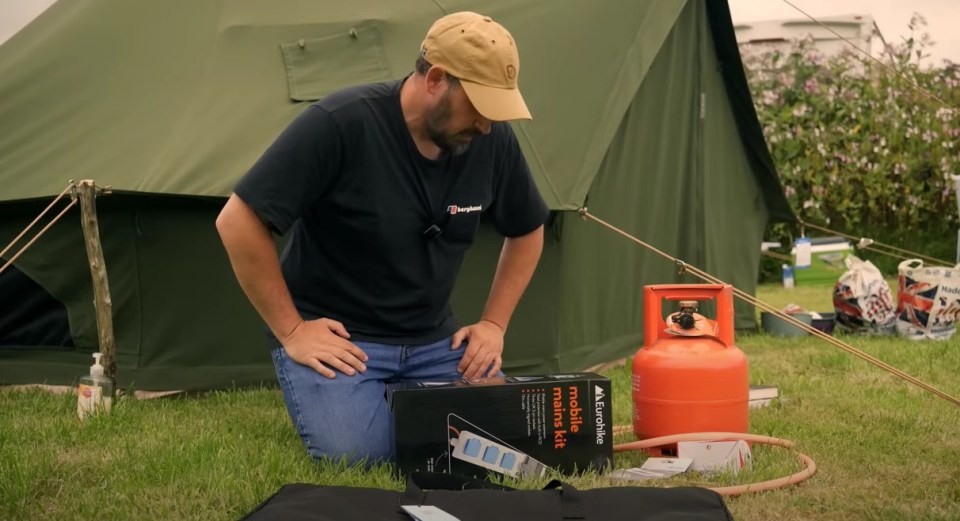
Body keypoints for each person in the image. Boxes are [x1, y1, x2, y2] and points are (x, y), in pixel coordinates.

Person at [215, 11, 548, 466]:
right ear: (436, 79)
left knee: (509, 436)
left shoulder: (492, 141)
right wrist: (293, 331)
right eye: (480, 108)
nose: (488, 126)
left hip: (435, 342)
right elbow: (237, 221)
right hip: (344, 342)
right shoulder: (340, 123)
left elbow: (528, 229)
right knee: (358, 455)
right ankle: (382, 403)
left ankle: (401, 401)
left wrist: (493, 325)